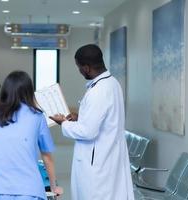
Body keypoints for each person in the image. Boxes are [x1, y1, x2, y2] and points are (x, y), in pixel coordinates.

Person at [50, 44, 134, 200]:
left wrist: (63, 122)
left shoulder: (98, 91)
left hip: (98, 163)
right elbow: (104, 118)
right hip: (108, 156)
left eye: (79, 67)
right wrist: (81, 117)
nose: (79, 71)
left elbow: (87, 132)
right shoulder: (112, 83)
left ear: (87, 68)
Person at [0, 71, 63, 200]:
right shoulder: (37, 116)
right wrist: (54, 187)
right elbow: (47, 156)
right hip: (29, 190)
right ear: (29, 91)